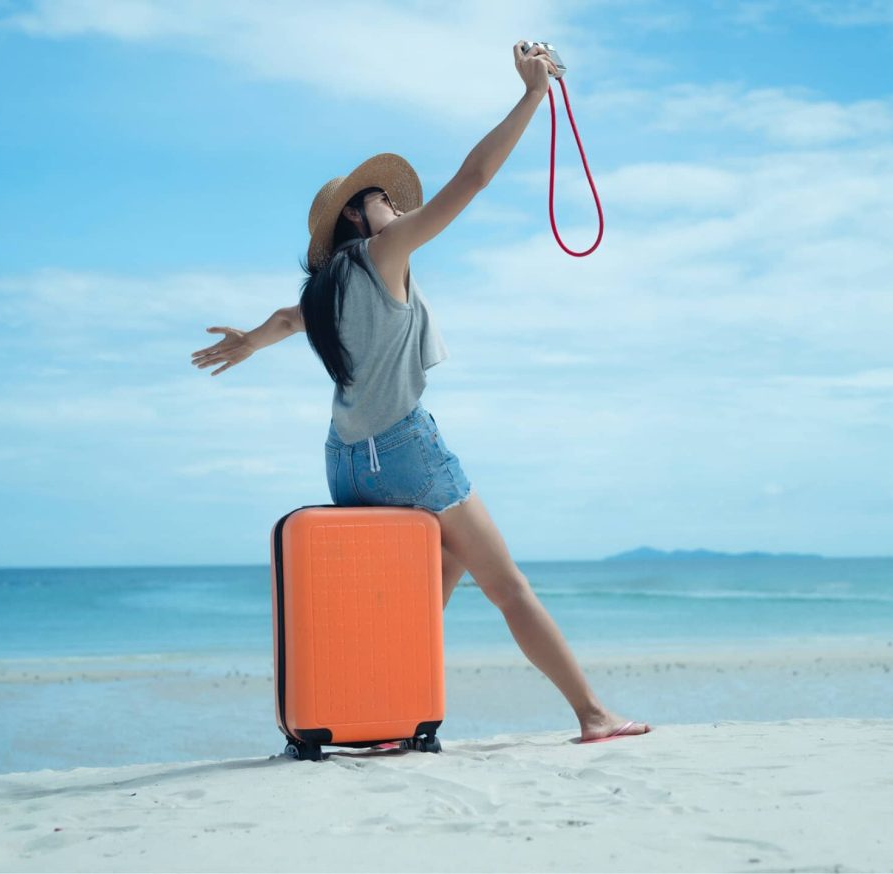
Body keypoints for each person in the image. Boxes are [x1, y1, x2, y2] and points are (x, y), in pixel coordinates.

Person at [191, 42, 650, 745]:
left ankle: (381, 699)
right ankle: (593, 714)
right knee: (508, 586)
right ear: (355, 215)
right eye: (381, 201)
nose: (395, 209)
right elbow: (473, 177)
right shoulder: (384, 253)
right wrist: (531, 96)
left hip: (343, 456)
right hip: (406, 447)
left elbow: (289, 320)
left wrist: (250, 341)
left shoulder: (326, 284)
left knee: (439, 569)